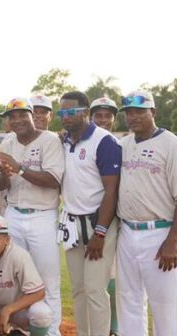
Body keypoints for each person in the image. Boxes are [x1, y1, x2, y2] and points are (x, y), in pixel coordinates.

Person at [117, 90, 177, 335]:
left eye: (140, 111)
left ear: (153, 112)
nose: (133, 116)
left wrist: (172, 241)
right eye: (129, 112)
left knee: (164, 305)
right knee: (129, 301)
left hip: (159, 233)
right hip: (127, 232)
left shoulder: (172, 145)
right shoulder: (123, 144)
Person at [0, 97, 64, 336]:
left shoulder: (50, 140)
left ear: (33, 116)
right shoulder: (8, 142)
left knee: (48, 279)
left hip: (42, 215)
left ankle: (52, 332)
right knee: (15, 278)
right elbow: (0, 183)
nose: (18, 120)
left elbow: (54, 180)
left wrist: (20, 168)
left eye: (23, 114)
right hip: (13, 213)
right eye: (12, 116)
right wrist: (4, 173)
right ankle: (20, 330)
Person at [57, 91, 121, 336]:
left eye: (71, 112)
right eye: (62, 112)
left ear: (85, 112)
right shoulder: (63, 141)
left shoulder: (104, 141)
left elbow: (111, 190)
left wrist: (101, 232)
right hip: (71, 222)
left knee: (95, 289)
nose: (66, 117)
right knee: (78, 289)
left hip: (98, 223)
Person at [0, 215, 52, 336]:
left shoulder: (19, 256)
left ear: (7, 239)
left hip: (16, 310)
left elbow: (39, 292)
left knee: (41, 314)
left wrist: (7, 310)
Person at [87, 95, 120, 335]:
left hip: (119, 221)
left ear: (114, 120)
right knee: (99, 280)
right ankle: (103, 327)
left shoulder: (123, 143)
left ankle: (115, 328)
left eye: (107, 115)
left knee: (116, 278)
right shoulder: (83, 142)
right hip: (93, 220)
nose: (103, 119)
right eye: (98, 115)